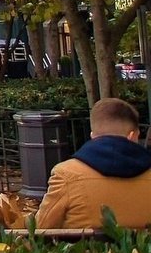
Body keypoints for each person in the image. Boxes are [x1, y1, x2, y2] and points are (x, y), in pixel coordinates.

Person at [34, 97, 151, 229]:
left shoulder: (66, 174)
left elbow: (41, 229)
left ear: (92, 135)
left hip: (82, 249)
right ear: (133, 135)